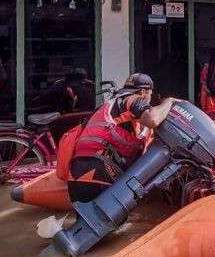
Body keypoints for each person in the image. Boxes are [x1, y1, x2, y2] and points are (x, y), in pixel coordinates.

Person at [56, 74, 176, 203]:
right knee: (111, 221)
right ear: (143, 92)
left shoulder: (106, 107)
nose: (149, 99)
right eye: (150, 94)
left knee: (84, 222)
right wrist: (168, 101)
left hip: (75, 173)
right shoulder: (132, 99)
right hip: (100, 171)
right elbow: (153, 119)